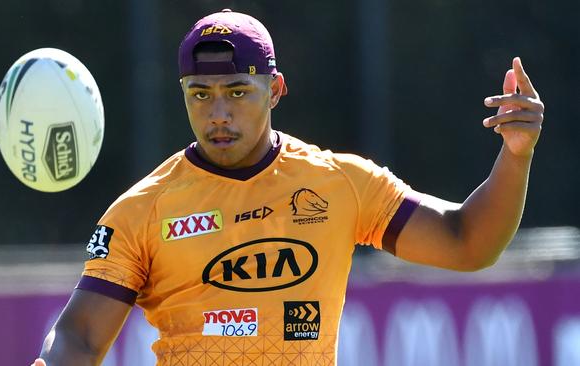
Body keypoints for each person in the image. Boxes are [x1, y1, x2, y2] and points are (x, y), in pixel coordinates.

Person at [32, 8, 544, 366]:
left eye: (237, 92)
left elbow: (467, 242)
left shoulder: (340, 183)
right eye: (200, 95)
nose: (218, 113)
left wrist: (515, 157)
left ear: (275, 89)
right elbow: (79, 336)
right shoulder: (142, 210)